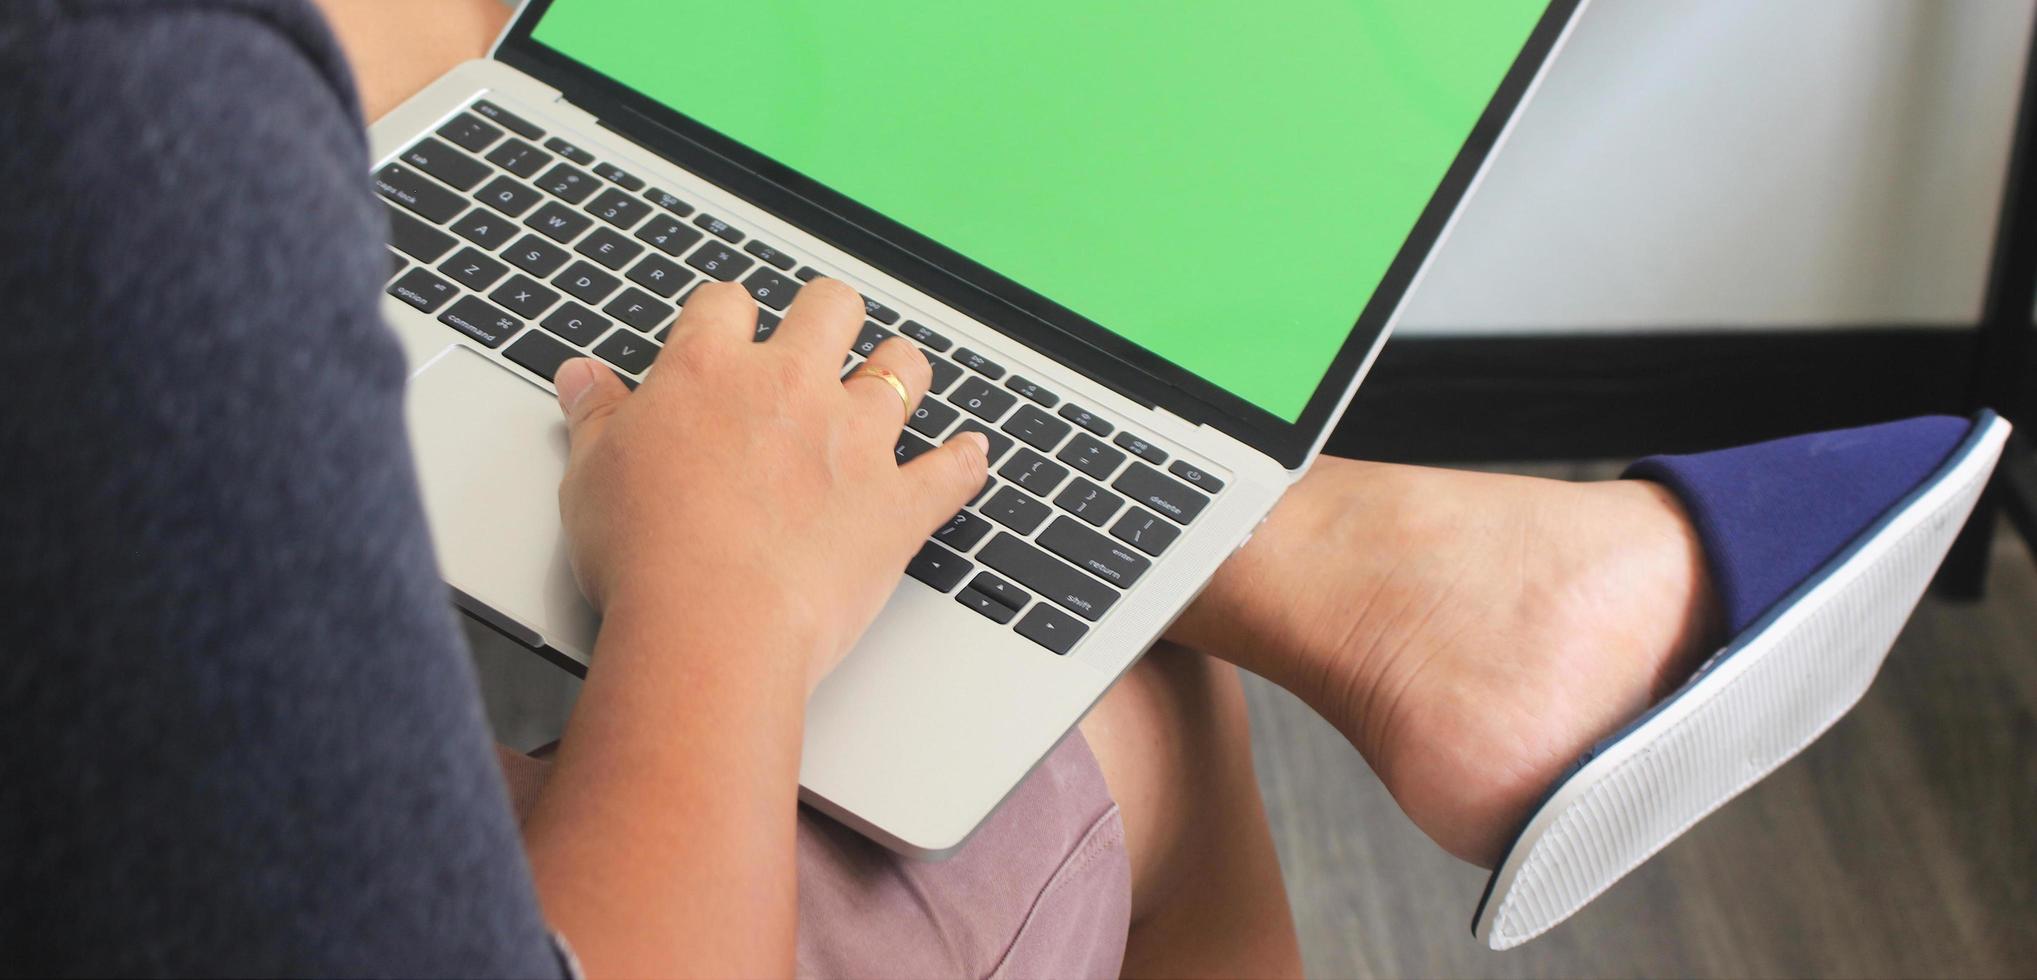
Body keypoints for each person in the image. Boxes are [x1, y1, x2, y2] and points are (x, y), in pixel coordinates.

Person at [1, 1, 1992, 976]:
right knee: (1100, 692)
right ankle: (1360, 583)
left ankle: (1325, 561)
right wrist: (722, 597)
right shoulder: (123, 126)